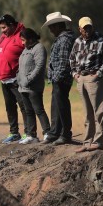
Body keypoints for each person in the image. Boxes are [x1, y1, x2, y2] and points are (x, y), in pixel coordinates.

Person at [70, 17, 103, 153]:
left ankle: (98, 141)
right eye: (85, 28)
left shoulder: (101, 39)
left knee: (99, 111)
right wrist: (74, 74)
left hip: (94, 78)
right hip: (81, 78)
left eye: (89, 27)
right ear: (80, 29)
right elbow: (71, 59)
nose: (87, 30)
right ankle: (87, 142)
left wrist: (99, 74)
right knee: (87, 113)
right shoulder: (77, 41)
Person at [40, 12, 76, 146]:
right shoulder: (62, 38)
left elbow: (64, 62)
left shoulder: (65, 39)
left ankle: (65, 134)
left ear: (59, 26)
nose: (50, 30)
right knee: (56, 104)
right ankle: (55, 132)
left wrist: (56, 77)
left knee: (62, 105)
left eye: (52, 27)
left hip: (61, 79)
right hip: (57, 78)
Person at [0, 14, 28, 144]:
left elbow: (29, 55)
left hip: (16, 79)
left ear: (11, 25)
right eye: (1, 28)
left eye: (4, 27)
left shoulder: (22, 36)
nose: (2, 30)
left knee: (24, 106)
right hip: (4, 79)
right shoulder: (3, 37)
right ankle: (14, 132)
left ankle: (29, 133)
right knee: (10, 107)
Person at [16, 28, 50, 144]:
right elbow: (21, 66)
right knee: (28, 111)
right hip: (23, 87)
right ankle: (31, 135)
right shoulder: (25, 50)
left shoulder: (39, 48)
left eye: (23, 40)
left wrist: (29, 79)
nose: (22, 42)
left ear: (31, 39)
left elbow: (40, 66)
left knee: (39, 110)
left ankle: (47, 133)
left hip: (33, 87)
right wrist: (19, 78)